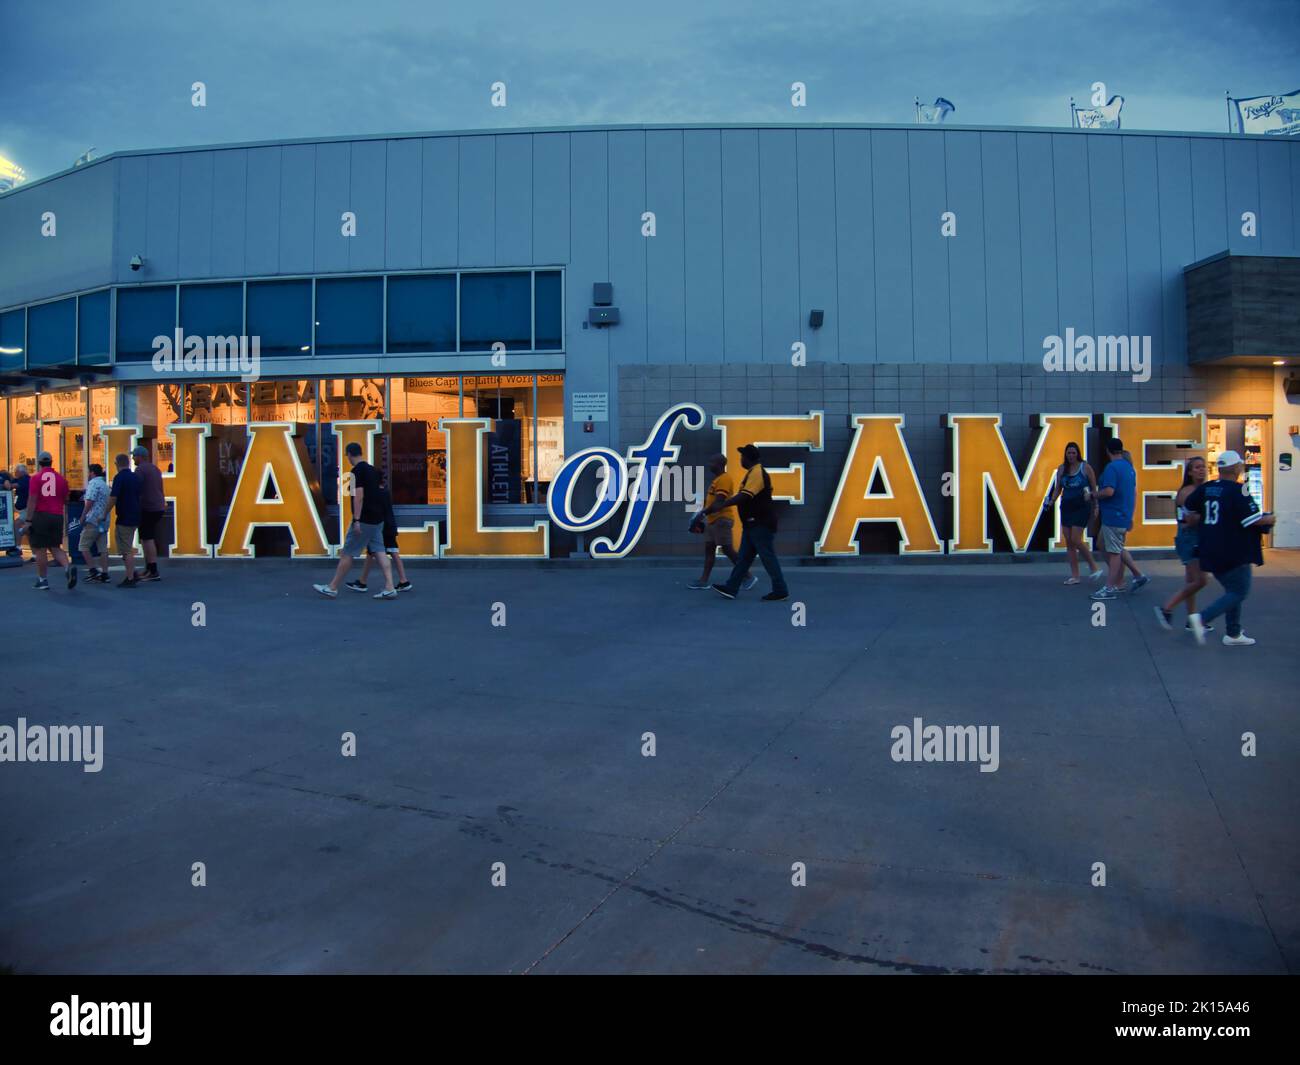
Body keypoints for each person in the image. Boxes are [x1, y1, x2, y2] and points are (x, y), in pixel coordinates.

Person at [1183, 451, 1275, 647]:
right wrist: (1269, 518)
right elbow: (1252, 520)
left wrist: (1196, 518)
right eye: (1240, 466)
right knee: (1239, 591)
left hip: (1209, 547)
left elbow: (1188, 506)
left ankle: (1233, 633)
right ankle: (1202, 619)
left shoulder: (1208, 488)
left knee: (1233, 590)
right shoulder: (1239, 490)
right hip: (1233, 550)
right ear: (1235, 468)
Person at [314, 442, 396, 600]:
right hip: (377, 519)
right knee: (380, 552)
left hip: (364, 519)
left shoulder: (356, 472)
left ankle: (332, 587)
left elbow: (359, 496)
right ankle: (390, 586)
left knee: (347, 553)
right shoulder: (372, 470)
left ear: (350, 455)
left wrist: (357, 520)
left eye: (347, 456)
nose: (348, 459)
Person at [708, 444, 789, 602]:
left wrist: (723, 504)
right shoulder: (752, 473)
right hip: (752, 525)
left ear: (748, 458)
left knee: (767, 557)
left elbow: (745, 496)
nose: (741, 460)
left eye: (742, 457)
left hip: (761, 523)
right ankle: (731, 588)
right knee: (744, 558)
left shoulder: (757, 473)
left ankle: (780, 590)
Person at [1154, 456, 1213, 635]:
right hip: (1190, 539)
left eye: (1203, 467)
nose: (1201, 470)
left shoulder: (1203, 489)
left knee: (1191, 581)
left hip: (1196, 537)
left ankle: (1192, 619)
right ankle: (1167, 608)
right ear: (1189, 472)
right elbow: (1189, 520)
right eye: (1197, 467)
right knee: (1201, 580)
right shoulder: (1188, 492)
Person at [1089, 438, 1149, 602]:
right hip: (1121, 514)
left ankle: (1110, 587)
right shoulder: (1128, 468)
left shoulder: (1112, 468)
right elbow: (1133, 492)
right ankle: (1137, 575)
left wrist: (1093, 495)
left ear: (1108, 450)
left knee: (1114, 552)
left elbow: (1109, 491)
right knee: (1104, 543)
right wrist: (1130, 515)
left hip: (1113, 515)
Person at [688, 454, 757, 591]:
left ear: (719, 464)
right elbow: (712, 502)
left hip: (722, 520)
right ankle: (703, 581)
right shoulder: (717, 480)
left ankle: (748, 576)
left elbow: (719, 502)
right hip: (712, 521)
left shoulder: (725, 479)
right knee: (709, 549)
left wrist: (701, 515)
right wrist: (701, 516)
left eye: (711, 462)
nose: (709, 464)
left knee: (727, 549)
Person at [1043, 441, 1103, 584]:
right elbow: (1058, 488)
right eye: (1068, 453)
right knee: (1069, 542)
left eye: (1073, 453)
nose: (1071, 455)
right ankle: (1075, 576)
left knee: (1076, 539)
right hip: (1066, 507)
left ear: (1078, 454)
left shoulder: (1085, 468)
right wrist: (1051, 501)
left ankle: (1094, 566)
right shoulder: (1062, 469)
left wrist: (1096, 507)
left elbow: (1094, 488)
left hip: (1082, 507)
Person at [346, 474, 413, 593]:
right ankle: (363, 581)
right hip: (389, 525)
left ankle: (402, 581)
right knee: (378, 552)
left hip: (382, 526)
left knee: (387, 552)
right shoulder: (384, 492)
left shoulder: (377, 493)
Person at [27, 451, 75, 591]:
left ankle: (43, 579)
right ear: (51, 462)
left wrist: (29, 520)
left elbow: (32, 499)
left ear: (40, 463)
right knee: (55, 546)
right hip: (57, 516)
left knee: (40, 548)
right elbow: (66, 499)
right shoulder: (61, 479)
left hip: (41, 515)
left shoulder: (36, 478)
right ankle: (67, 568)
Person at [107, 452, 142, 587]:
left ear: (117, 464)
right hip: (135, 515)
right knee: (128, 546)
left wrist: (104, 513)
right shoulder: (135, 477)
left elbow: (113, 497)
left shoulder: (119, 478)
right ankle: (132, 573)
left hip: (124, 517)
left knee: (125, 549)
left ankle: (130, 577)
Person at [133, 444, 166, 582]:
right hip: (158, 506)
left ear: (140, 457)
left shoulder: (140, 470)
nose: (133, 458)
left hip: (148, 507)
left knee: (147, 538)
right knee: (147, 536)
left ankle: (153, 570)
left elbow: (136, 489)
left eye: (134, 455)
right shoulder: (155, 468)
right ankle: (148, 569)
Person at [78, 463, 112, 583]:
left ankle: (93, 570)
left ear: (92, 473)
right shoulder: (105, 485)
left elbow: (90, 501)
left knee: (83, 546)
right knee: (103, 548)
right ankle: (105, 573)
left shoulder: (93, 483)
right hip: (104, 520)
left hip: (93, 519)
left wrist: (82, 516)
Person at [12, 461, 31, 558]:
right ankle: (35, 554)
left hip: (27, 509)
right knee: (28, 531)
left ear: (21, 472)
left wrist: (7, 483)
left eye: (16, 471)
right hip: (23, 509)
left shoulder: (25, 480)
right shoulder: (20, 479)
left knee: (17, 524)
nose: (15, 473)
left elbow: (13, 486)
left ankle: (18, 548)